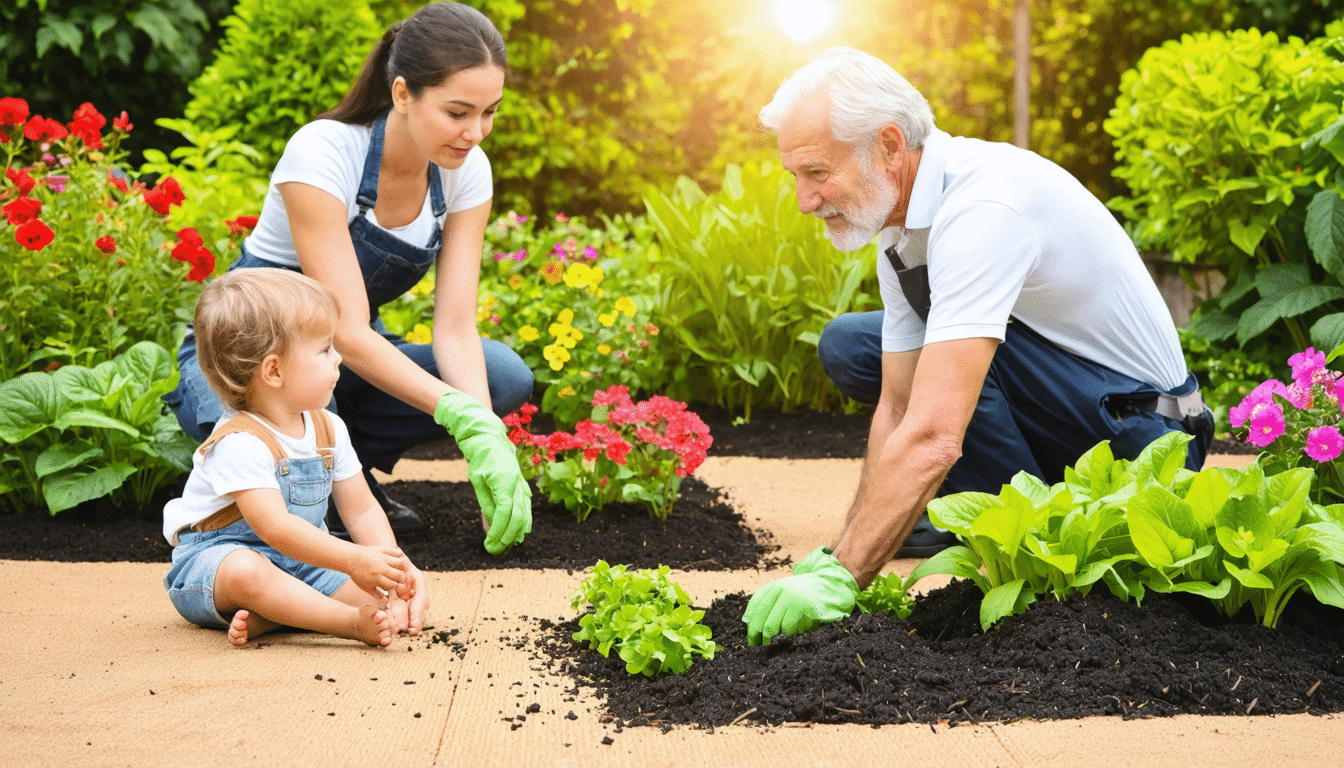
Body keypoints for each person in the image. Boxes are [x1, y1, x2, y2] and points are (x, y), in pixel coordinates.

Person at [742, 47, 1214, 645]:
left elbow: (933, 432)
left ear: (889, 147)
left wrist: (845, 578)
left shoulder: (983, 209)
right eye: (796, 177)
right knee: (854, 344)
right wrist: (843, 549)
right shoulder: (903, 231)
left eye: (816, 173)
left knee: (950, 366)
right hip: (1077, 409)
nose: (805, 200)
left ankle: (1032, 537)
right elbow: (897, 404)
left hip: (1148, 441)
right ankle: (977, 511)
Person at [164, 1, 533, 549]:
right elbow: (348, 329)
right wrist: (458, 414)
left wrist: (486, 439)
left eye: (489, 113)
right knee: (302, 402)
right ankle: (311, 489)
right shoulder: (324, 152)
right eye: (458, 112)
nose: (475, 132)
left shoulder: (465, 171)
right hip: (251, 361)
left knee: (502, 376)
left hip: (333, 363)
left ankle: (339, 471)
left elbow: (455, 328)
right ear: (403, 93)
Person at [163, 269, 429, 647]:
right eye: (325, 349)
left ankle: (278, 616)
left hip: (304, 564)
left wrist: (396, 574)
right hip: (214, 568)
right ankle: (342, 623)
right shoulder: (239, 442)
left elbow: (362, 510)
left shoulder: (328, 428)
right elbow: (276, 528)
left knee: (383, 603)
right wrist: (355, 561)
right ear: (274, 370)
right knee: (247, 572)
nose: (338, 358)